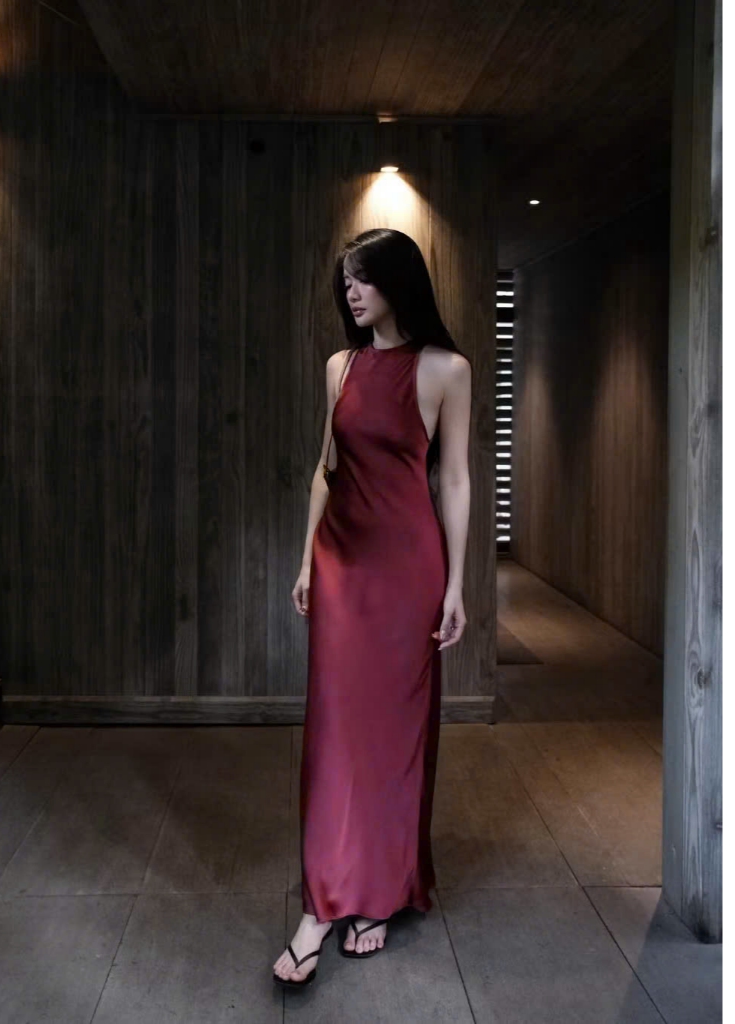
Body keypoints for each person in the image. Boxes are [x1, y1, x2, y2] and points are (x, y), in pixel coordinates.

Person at [272, 228, 472, 987]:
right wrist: (305, 558)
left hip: (407, 569)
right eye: (345, 280)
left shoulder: (448, 369)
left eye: (363, 278)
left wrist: (456, 585)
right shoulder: (341, 366)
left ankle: (381, 893)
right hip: (340, 565)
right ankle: (321, 904)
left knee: (394, 734)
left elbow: (454, 480)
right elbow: (325, 470)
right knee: (333, 732)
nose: (350, 292)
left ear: (399, 280)